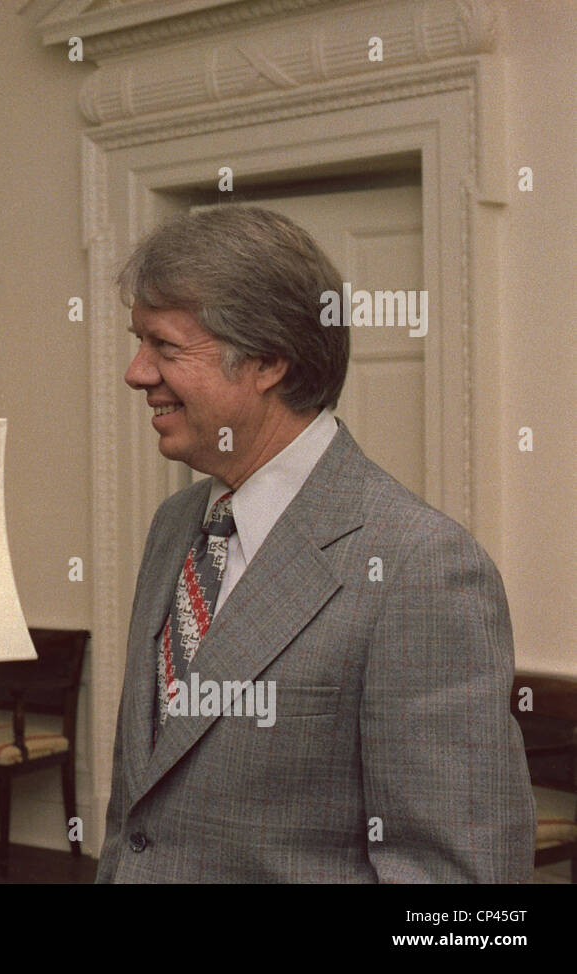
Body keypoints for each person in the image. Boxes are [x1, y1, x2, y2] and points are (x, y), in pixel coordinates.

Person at [96, 206, 534, 882]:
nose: (135, 372)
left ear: (269, 360)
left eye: (165, 347)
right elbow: (142, 821)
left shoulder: (421, 566)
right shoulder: (175, 525)